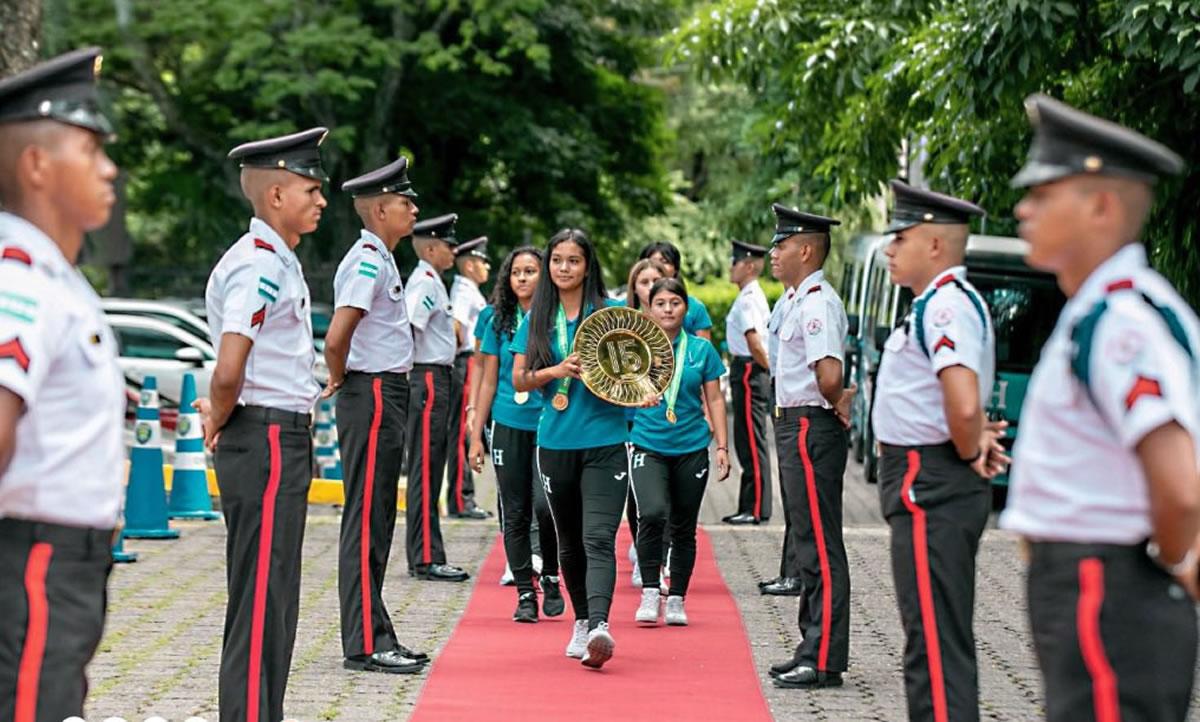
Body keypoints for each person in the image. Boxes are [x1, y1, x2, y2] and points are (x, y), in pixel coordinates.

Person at [1001, 95, 1199, 721]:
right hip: (1097, 585)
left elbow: (1180, 487)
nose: (1022, 209)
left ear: (1101, 206)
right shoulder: (1112, 306)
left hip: (1102, 586)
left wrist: (1168, 565)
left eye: (1043, 193)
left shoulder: (1118, 321)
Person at [0, 47, 125, 722]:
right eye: (90, 149)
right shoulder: (18, 280)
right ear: (38, 165)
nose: (110, 169)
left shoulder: (55, 277)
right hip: (37, 558)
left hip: (63, 561)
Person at [197, 126, 328, 722]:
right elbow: (229, 370)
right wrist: (217, 421)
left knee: (276, 596)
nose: (321, 199)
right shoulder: (258, 266)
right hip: (266, 437)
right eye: (311, 188)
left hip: (278, 435)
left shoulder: (277, 260)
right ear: (276, 195)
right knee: (259, 601)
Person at [871, 179, 1005, 721]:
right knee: (928, 634)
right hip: (927, 477)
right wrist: (971, 443)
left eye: (900, 237)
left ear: (933, 244)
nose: (889, 249)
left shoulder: (946, 305)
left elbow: (964, 403)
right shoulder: (934, 303)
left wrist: (971, 448)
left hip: (932, 481)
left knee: (932, 641)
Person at [323, 156, 427, 675]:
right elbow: (338, 335)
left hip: (384, 391)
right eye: (405, 202)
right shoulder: (367, 261)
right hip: (373, 392)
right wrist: (342, 379)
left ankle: (376, 628)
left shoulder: (381, 258)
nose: (413, 209)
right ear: (381, 209)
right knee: (367, 516)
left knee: (380, 514)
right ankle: (364, 641)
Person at [512, 228, 629, 669]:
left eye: (573, 261)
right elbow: (520, 380)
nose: (564, 268)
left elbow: (638, 371)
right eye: (557, 260)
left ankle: (599, 625)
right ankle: (580, 621)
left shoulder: (612, 313)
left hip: (606, 442)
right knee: (569, 542)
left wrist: (645, 392)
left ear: (587, 266)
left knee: (599, 537)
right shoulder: (536, 320)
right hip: (556, 442)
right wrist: (556, 370)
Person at [765, 203, 855, 690]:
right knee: (807, 543)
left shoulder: (817, 301)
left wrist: (837, 398)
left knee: (820, 545)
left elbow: (829, 375)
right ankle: (810, 645)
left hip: (808, 425)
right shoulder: (797, 298)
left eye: (781, 246)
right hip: (795, 423)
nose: (773, 254)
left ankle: (823, 658)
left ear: (805, 248)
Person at [468, 246, 565, 622]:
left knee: (546, 505)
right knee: (514, 509)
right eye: (516, 272)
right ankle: (526, 592)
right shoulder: (495, 318)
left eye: (530, 271)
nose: (522, 278)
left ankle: (553, 575)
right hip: (507, 424)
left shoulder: (555, 318)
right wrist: (476, 433)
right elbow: (488, 379)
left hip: (548, 425)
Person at [629, 278, 730, 627]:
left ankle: (677, 598)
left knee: (684, 526)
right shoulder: (635, 347)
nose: (668, 309)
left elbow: (715, 399)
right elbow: (617, 391)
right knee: (653, 513)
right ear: (649, 308)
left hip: (690, 447)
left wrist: (722, 446)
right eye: (661, 303)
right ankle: (650, 590)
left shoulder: (701, 351)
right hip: (648, 444)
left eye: (675, 302)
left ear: (685, 308)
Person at [404, 213, 471, 582]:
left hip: (436, 376)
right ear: (430, 248)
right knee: (426, 470)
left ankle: (427, 551)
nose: (454, 251)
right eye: (448, 244)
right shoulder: (424, 284)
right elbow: (409, 331)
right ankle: (426, 556)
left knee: (431, 469)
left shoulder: (434, 282)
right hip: (427, 377)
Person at [621, 256, 668, 587]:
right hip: (627, 419)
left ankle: (659, 558)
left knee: (660, 498)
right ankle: (641, 550)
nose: (650, 287)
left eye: (656, 280)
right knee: (634, 495)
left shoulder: (673, 325)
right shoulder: (622, 326)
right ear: (634, 288)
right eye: (644, 282)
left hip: (664, 421)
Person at [724, 239, 773, 525]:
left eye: (736, 262)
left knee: (752, 441)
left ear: (750, 266)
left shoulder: (749, 299)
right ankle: (751, 505)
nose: (731, 267)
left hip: (749, 370)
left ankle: (755, 508)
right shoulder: (749, 296)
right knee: (747, 439)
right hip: (749, 369)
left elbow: (755, 343)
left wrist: (769, 372)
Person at [447, 237, 491, 520]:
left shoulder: (469, 289)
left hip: (470, 364)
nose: (487, 267)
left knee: (465, 430)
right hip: (465, 363)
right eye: (483, 262)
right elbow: (456, 328)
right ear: (471, 265)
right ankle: (461, 499)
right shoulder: (464, 290)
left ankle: (464, 497)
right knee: (463, 430)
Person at [638, 241, 713, 340]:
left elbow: (704, 350)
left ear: (675, 269)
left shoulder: (695, 308)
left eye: (664, 261)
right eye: (652, 261)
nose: (657, 266)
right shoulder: (623, 308)